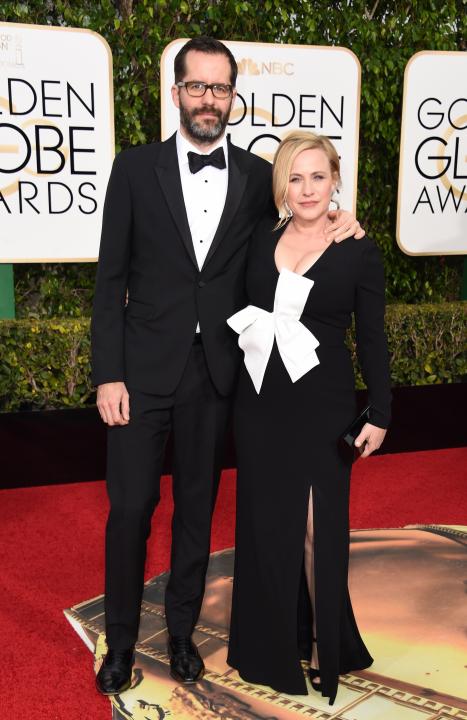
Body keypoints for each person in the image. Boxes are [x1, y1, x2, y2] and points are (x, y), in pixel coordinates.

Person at [91, 37, 363, 696]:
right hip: (140, 372)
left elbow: (296, 228)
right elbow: (110, 279)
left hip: (219, 374)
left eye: (219, 88)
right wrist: (107, 374)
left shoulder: (255, 177)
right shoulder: (134, 168)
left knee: (196, 508)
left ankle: (181, 635)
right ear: (177, 92)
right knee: (130, 508)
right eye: (197, 86)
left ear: (232, 98)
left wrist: (341, 220)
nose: (207, 99)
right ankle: (120, 643)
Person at [226, 130, 391, 705]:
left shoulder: (357, 249)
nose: (307, 189)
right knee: (267, 525)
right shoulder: (259, 238)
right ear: (282, 187)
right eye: (295, 178)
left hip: (322, 405)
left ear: (335, 180)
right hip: (259, 402)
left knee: (320, 528)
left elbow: (372, 338)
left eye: (318, 176)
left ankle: (325, 643)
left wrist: (380, 411)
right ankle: (269, 645)